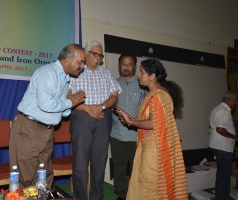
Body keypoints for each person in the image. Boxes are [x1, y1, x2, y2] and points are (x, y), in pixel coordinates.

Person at [9, 44, 86, 188]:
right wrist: (69, 102)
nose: (82, 66)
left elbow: (60, 110)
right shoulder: (48, 73)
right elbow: (45, 104)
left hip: (47, 130)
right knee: (26, 179)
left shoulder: (64, 78)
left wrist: (70, 103)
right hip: (30, 129)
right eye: (80, 61)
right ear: (68, 60)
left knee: (44, 176)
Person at [116, 59, 188, 199]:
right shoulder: (157, 93)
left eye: (142, 72)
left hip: (154, 148)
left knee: (150, 184)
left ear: (152, 76)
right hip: (151, 145)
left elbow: (154, 123)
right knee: (147, 182)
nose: (138, 75)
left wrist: (130, 121)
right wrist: (130, 119)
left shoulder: (159, 95)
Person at [70, 40, 122, 200]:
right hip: (81, 118)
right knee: (80, 162)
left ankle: (96, 197)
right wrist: (88, 109)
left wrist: (102, 107)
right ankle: (80, 197)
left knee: (99, 162)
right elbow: (67, 97)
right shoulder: (75, 71)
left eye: (100, 55)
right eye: (95, 54)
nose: (98, 58)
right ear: (86, 53)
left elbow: (114, 96)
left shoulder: (106, 73)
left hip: (103, 117)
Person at [110, 54, 146, 200]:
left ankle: (136, 195)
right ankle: (122, 195)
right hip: (117, 134)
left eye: (129, 64)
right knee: (118, 167)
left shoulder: (142, 84)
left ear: (135, 66)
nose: (126, 67)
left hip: (136, 134)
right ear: (119, 66)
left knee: (136, 168)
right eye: (123, 64)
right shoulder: (113, 83)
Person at [208, 91, 238, 200]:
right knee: (224, 175)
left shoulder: (218, 109)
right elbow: (220, 129)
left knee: (222, 174)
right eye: (235, 100)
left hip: (220, 146)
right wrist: (235, 137)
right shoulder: (223, 111)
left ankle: (221, 196)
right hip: (223, 147)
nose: (236, 103)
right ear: (227, 100)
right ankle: (222, 197)